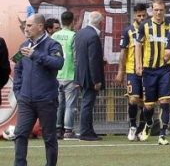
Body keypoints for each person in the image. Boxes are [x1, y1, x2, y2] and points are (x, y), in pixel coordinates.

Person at [13, 14, 64, 166]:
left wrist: (36, 55)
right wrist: (18, 92)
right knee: (20, 135)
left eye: (29, 26)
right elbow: (17, 69)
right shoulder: (23, 46)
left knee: (49, 137)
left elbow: (58, 63)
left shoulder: (53, 45)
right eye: (26, 26)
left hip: (46, 100)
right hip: (26, 100)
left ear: (40, 27)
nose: (26, 29)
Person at [134, 0, 170, 145]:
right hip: (149, 70)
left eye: (161, 10)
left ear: (164, 11)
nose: (158, 13)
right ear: (152, 10)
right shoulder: (144, 26)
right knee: (149, 105)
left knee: (165, 102)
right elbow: (138, 45)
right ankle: (149, 123)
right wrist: (138, 64)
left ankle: (162, 135)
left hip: (165, 69)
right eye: (156, 10)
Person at [116, 4, 147, 140]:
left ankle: (142, 128)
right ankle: (133, 126)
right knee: (133, 98)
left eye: (143, 15)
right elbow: (123, 52)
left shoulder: (150, 29)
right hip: (132, 70)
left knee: (146, 103)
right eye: (139, 15)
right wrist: (120, 71)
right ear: (134, 15)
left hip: (148, 70)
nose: (141, 18)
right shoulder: (128, 31)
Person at [73, 11, 104, 141]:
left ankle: (89, 130)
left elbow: (77, 57)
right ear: (100, 23)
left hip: (82, 74)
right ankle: (85, 132)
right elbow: (93, 60)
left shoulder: (80, 33)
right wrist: (96, 80)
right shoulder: (93, 36)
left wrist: (76, 77)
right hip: (90, 76)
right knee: (87, 104)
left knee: (87, 103)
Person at [52, 11, 78, 139]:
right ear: (72, 21)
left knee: (58, 104)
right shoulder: (73, 36)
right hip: (70, 74)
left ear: (61, 21)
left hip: (57, 74)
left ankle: (57, 129)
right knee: (70, 104)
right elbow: (75, 57)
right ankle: (68, 130)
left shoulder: (54, 36)